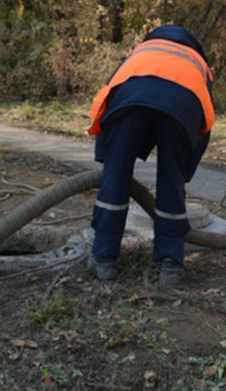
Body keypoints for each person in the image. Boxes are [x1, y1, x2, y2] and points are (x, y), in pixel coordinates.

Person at [86, 25, 215, 288]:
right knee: (171, 184)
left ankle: (104, 261)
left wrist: (107, 159)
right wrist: (182, 170)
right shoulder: (199, 63)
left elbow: (109, 96)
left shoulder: (139, 51)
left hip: (129, 104)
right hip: (182, 107)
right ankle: (170, 267)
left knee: (115, 179)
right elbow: (204, 119)